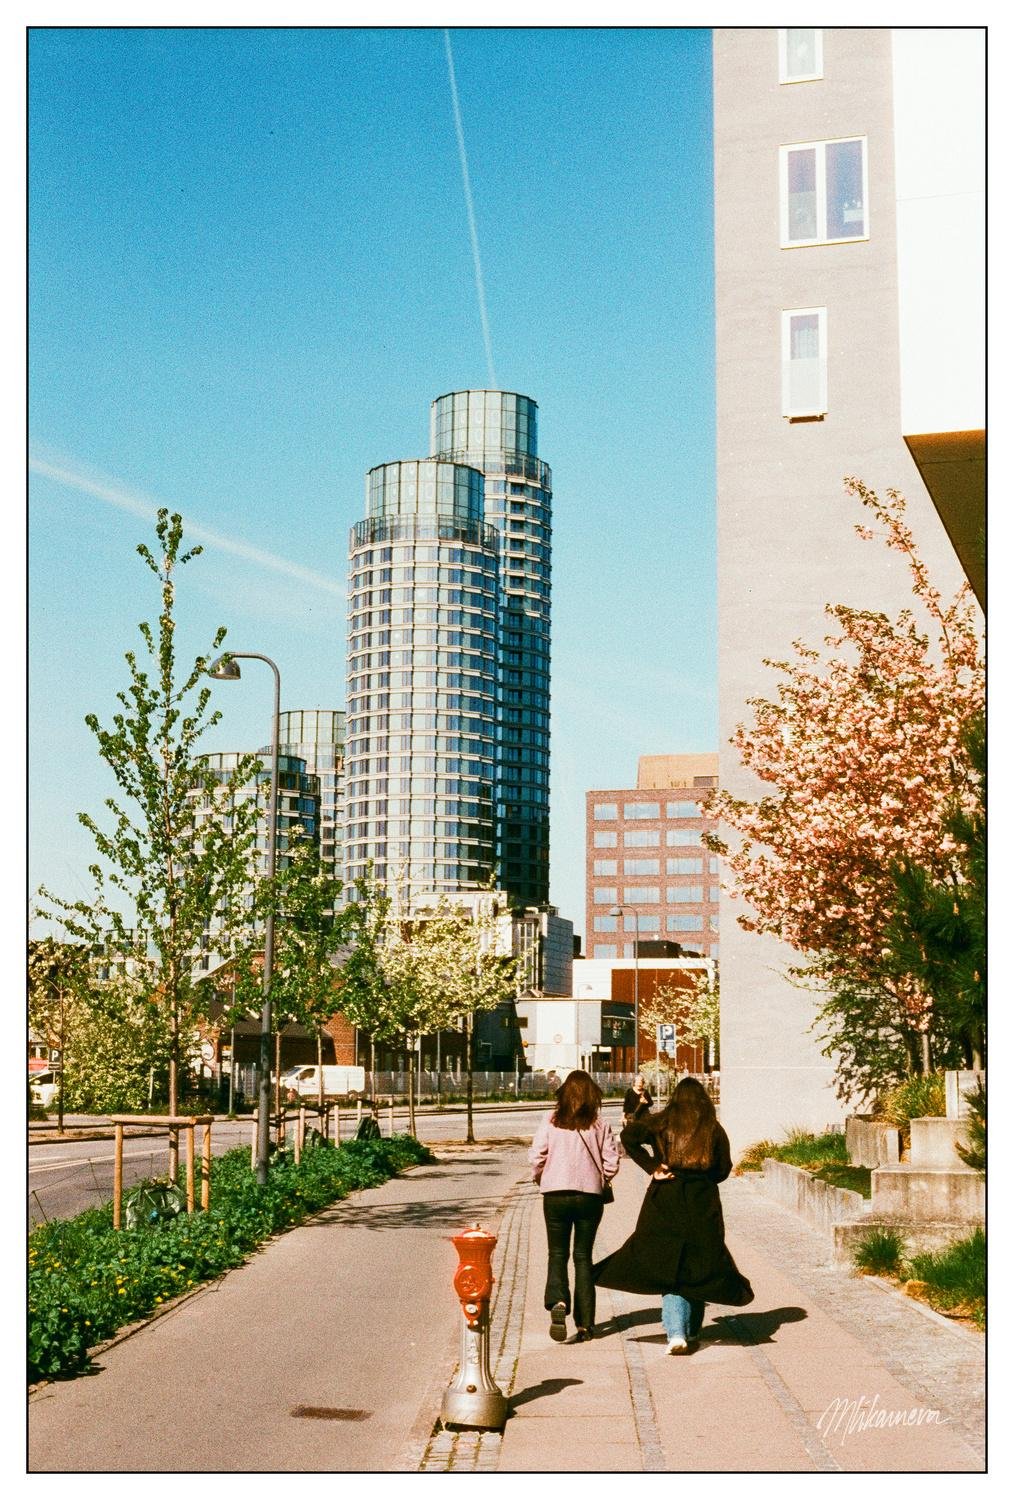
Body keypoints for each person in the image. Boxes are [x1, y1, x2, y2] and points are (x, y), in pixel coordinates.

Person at [593, 1076, 753, 1354]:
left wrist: (653, 1165)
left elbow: (628, 1136)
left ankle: (677, 1333)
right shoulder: (713, 1128)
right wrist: (704, 1177)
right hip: (702, 1199)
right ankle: (690, 1332)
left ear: (675, 1098)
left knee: (668, 1263)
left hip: (666, 1194)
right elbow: (723, 1168)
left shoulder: (662, 1122)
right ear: (703, 1100)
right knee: (698, 1262)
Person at [528, 1069, 620, 1344]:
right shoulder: (599, 1124)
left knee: (557, 1253)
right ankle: (585, 1325)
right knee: (583, 1257)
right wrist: (601, 1176)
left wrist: (540, 1176)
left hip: (555, 1195)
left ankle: (558, 1300)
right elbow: (612, 1161)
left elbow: (536, 1155)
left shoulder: (551, 1119)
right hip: (589, 1197)